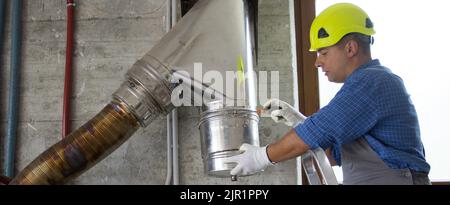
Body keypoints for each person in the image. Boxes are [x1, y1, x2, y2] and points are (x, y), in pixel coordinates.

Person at [224, 3, 431, 185]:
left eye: (323, 53)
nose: (317, 62)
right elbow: (332, 155)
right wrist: (298, 121)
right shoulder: (366, 86)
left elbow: (318, 131)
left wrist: (261, 157)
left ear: (350, 48)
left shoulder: (372, 82)